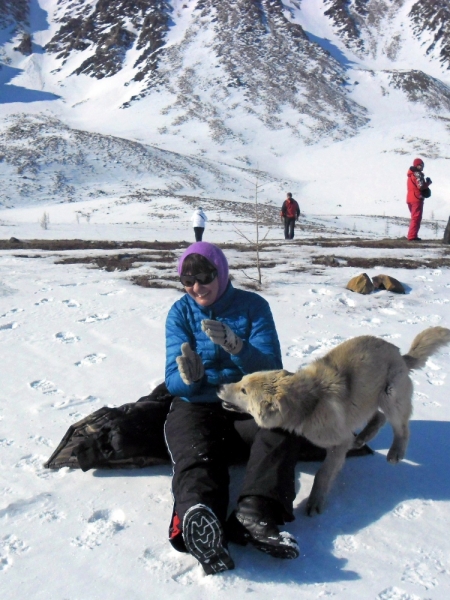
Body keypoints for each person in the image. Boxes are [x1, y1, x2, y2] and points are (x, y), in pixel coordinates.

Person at [164, 241, 299, 575]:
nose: (197, 287)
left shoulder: (253, 307)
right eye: (188, 280)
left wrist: (237, 346)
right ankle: (200, 514)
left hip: (243, 403)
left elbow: (273, 368)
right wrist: (188, 378)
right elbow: (171, 379)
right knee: (196, 452)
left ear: (221, 272)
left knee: (281, 424)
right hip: (196, 406)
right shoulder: (180, 312)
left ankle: (255, 511)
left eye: (205, 276)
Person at [406, 158, 432, 241]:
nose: (421, 167)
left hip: (410, 198)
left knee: (414, 218)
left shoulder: (411, 175)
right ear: (416, 165)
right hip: (416, 198)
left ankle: (412, 235)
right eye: (420, 165)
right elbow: (420, 186)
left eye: (422, 165)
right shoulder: (417, 174)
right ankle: (412, 236)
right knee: (416, 218)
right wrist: (428, 183)